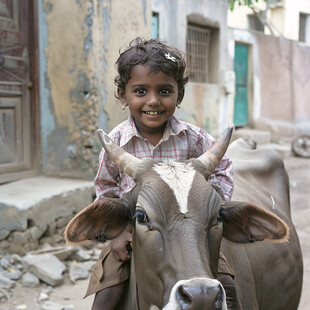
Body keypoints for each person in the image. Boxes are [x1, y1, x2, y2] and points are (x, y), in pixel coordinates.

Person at [86, 37, 241, 310]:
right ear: (124, 96)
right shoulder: (117, 142)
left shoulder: (194, 138)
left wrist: (208, 205)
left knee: (227, 286)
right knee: (106, 295)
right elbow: (105, 187)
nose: (154, 101)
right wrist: (119, 233)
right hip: (139, 231)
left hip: (192, 235)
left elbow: (224, 168)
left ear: (179, 95)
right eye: (141, 91)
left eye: (165, 91)